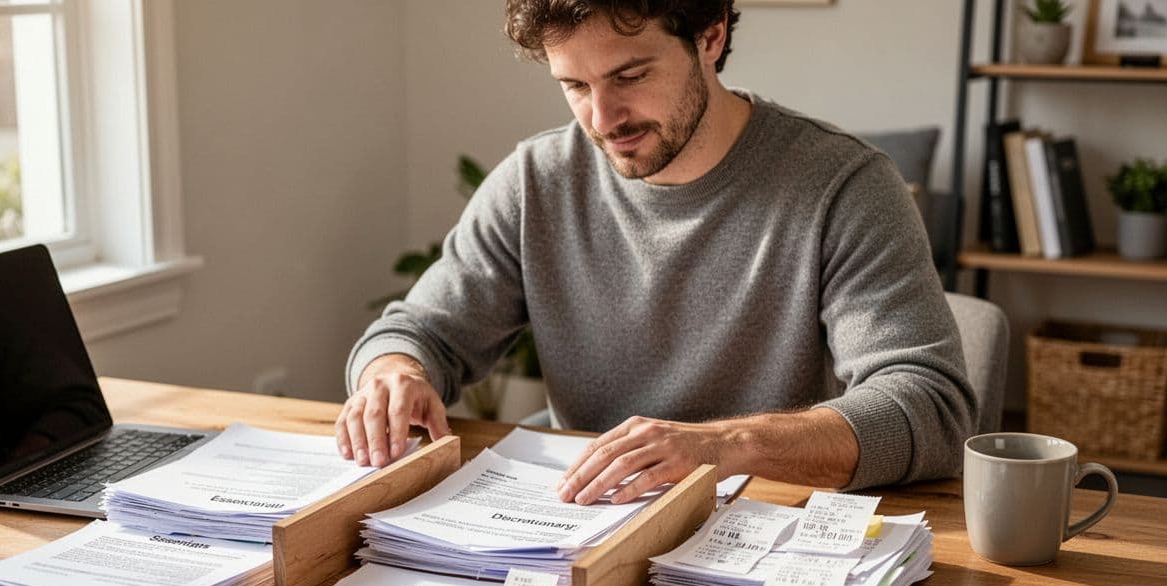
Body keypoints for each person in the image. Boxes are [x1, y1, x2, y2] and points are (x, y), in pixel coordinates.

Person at [337, 0, 975, 505]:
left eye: (630, 76)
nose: (603, 118)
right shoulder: (537, 181)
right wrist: (397, 372)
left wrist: (726, 444)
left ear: (711, 36)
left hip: (768, 526)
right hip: (584, 519)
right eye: (574, 86)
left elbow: (929, 405)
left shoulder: (843, 187)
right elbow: (422, 331)